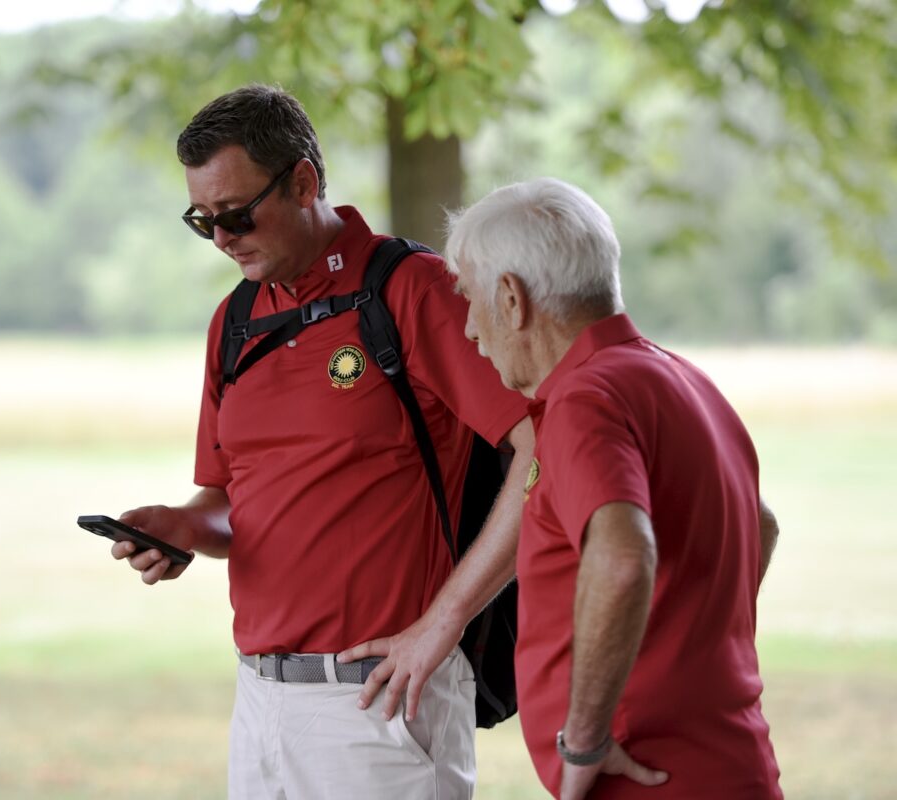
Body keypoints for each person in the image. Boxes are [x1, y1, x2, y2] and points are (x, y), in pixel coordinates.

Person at [108, 84, 534, 799]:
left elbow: (544, 451)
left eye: (237, 214)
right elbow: (227, 498)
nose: (221, 238)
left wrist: (445, 621)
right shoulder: (234, 321)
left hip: (381, 704)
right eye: (201, 220)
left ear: (303, 181)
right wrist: (185, 524)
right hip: (261, 700)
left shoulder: (411, 290)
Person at [371, 176, 782, 799]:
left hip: (647, 777)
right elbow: (762, 525)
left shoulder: (586, 399)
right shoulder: (678, 377)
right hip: (725, 761)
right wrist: (686, 636)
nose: (469, 331)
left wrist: (585, 737)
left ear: (512, 299)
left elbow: (621, 558)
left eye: (469, 299)